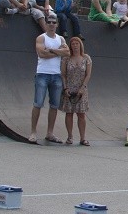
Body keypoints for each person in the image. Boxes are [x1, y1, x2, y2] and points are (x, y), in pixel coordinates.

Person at [30, 14, 70, 143]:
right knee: (38, 103)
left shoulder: (61, 39)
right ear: (46, 24)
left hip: (56, 75)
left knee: (54, 105)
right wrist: (58, 51)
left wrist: (51, 50)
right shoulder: (41, 38)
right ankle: (33, 132)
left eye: (54, 22)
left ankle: (50, 133)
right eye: (49, 22)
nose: (52, 24)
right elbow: (42, 53)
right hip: (42, 73)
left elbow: (67, 53)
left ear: (57, 24)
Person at [61, 36, 92, 146]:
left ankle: (83, 138)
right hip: (69, 88)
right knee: (69, 113)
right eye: (73, 44)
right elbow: (63, 75)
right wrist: (65, 88)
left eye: (77, 44)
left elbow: (88, 74)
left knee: (81, 114)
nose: (75, 46)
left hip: (81, 89)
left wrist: (83, 87)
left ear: (80, 45)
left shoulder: (86, 58)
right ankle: (70, 137)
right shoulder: (66, 59)